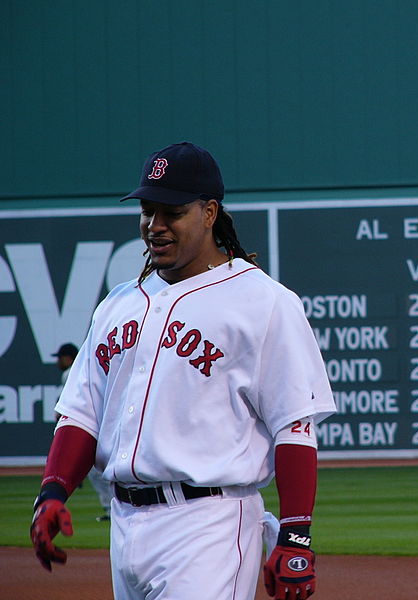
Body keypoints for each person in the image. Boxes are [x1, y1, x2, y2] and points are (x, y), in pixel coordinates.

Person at [30, 141, 336, 600]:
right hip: (125, 524)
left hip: (208, 526)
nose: (155, 226)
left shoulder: (264, 302)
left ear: (209, 212)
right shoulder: (119, 303)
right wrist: (52, 492)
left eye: (170, 212)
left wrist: (295, 538)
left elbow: (293, 427)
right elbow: (81, 415)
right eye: (148, 211)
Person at [53, 343, 114, 522]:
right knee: (98, 473)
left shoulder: (70, 373)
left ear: (68, 358)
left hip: (92, 428)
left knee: (97, 472)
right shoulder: (88, 369)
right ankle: (111, 508)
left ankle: (112, 509)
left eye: (60, 357)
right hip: (103, 427)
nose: (58, 361)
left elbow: (73, 405)